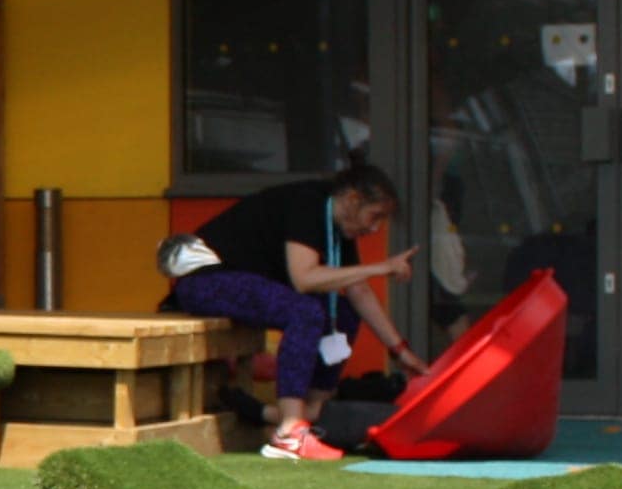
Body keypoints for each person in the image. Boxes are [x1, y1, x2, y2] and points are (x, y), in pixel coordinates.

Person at [163, 157, 427, 461]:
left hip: (245, 283)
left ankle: (309, 414)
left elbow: (359, 290)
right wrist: (381, 267)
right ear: (353, 200)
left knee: (343, 312)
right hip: (204, 283)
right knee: (305, 311)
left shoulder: (338, 226)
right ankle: (289, 431)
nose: (375, 227)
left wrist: (400, 351)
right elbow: (304, 279)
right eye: (375, 216)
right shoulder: (309, 204)